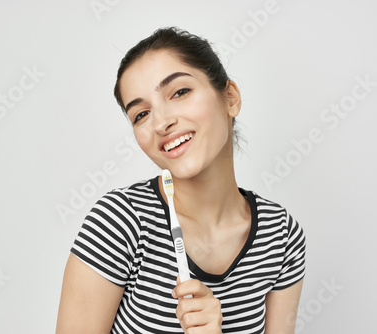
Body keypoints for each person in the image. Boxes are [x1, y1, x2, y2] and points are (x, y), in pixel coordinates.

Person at [56, 27, 306, 334]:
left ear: (230, 98)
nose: (161, 122)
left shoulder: (281, 235)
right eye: (141, 114)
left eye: (180, 92)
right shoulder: (120, 222)